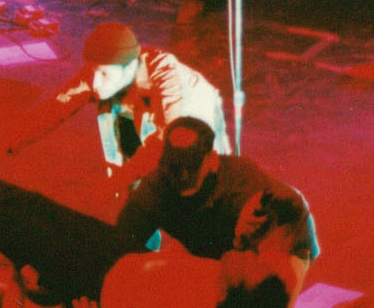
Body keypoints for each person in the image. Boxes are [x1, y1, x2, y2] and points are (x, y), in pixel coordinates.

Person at [114, 115, 318, 290]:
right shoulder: (157, 185)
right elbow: (121, 243)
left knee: (255, 301)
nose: (183, 175)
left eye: (191, 166)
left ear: (212, 160)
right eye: (175, 166)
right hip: (218, 244)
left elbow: (255, 271)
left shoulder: (244, 190)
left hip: (288, 237)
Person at [4, 21, 231, 177]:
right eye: (93, 72)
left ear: (130, 66)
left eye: (104, 74)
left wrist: (117, 183)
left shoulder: (167, 76)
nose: (95, 83)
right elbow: (56, 107)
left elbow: (169, 139)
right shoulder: (104, 70)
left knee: (197, 177)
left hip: (192, 114)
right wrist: (7, 143)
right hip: (137, 111)